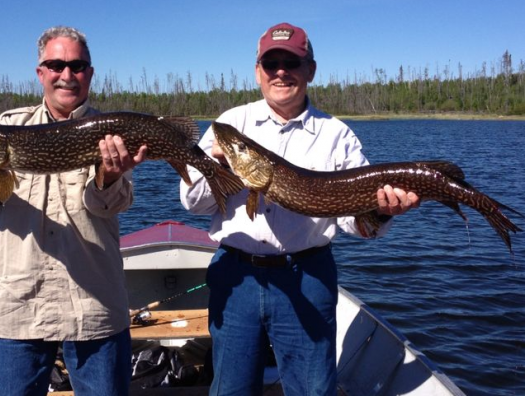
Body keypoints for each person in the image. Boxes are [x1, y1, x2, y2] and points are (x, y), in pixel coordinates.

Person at [180, 22, 420, 395]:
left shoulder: (336, 135)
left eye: (291, 62)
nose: (280, 71)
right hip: (236, 275)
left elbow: (352, 222)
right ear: (258, 71)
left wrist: (383, 212)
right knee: (230, 388)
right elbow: (193, 203)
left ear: (310, 70)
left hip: (308, 274)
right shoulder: (230, 125)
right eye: (271, 62)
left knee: (312, 389)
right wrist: (220, 168)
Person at [0, 26, 146, 396]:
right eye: (56, 64)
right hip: (16, 309)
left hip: (93, 307)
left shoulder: (109, 132)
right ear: (40, 72)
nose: (67, 75)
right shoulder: (6, 127)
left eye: (78, 66)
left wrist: (109, 178)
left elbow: (115, 205)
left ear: (90, 74)